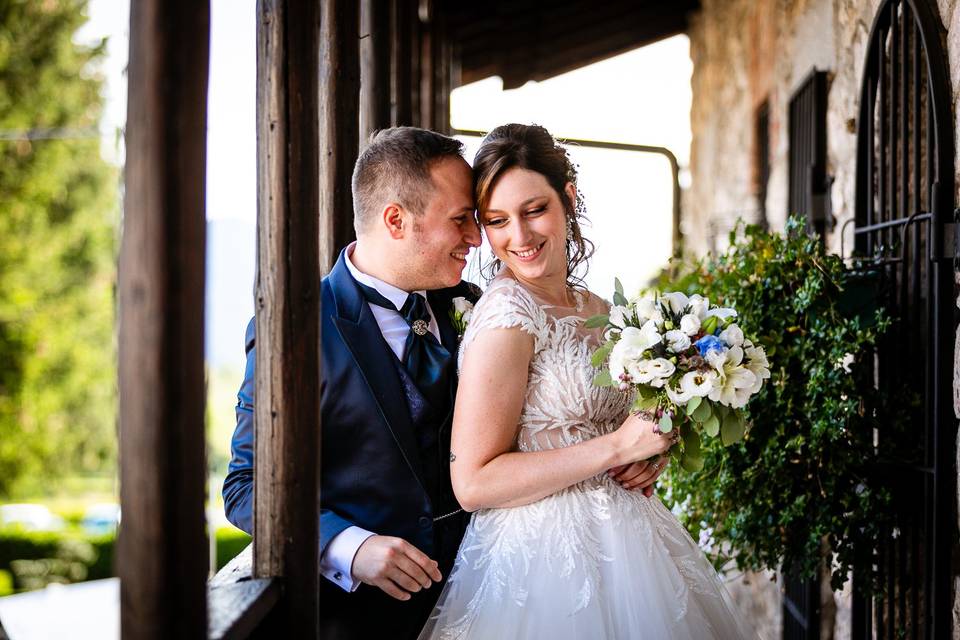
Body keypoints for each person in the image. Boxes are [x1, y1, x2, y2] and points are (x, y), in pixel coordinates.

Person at [419, 124, 755, 639]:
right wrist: (617, 447)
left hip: (635, 547)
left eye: (534, 210)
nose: (520, 236)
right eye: (497, 221)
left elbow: (621, 423)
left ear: (567, 199)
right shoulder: (508, 315)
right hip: (542, 562)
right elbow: (473, 483)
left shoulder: (597, 307)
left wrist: (649, 450)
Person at [223, 127, 484, 639]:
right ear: (396, 220)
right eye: (460, 219)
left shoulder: (476, 304)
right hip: (361, 620)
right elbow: (245, 486)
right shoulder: (295, 326)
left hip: (484, 598)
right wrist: (349, 546)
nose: (476, 237)